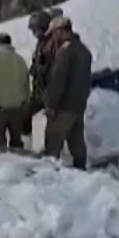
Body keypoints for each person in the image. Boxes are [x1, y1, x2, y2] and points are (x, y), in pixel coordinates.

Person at [42, 16, 93, 169]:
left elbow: (58, 81)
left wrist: (51, 105)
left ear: (60, 31)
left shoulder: (65, 52)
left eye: (54, 33)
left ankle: (49, 174)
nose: (53, 37)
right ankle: (81, 170)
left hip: (63, 107)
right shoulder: (84, 51)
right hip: (78, 106)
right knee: (76, 142)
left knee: (53, 140)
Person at [25, 10, 54, 136]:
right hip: (40, 88)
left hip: (49, 90)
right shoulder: (42, 42)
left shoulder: (52, 42)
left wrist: (40, 69)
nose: (33, 34)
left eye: (35, 30)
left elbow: (51, 66)